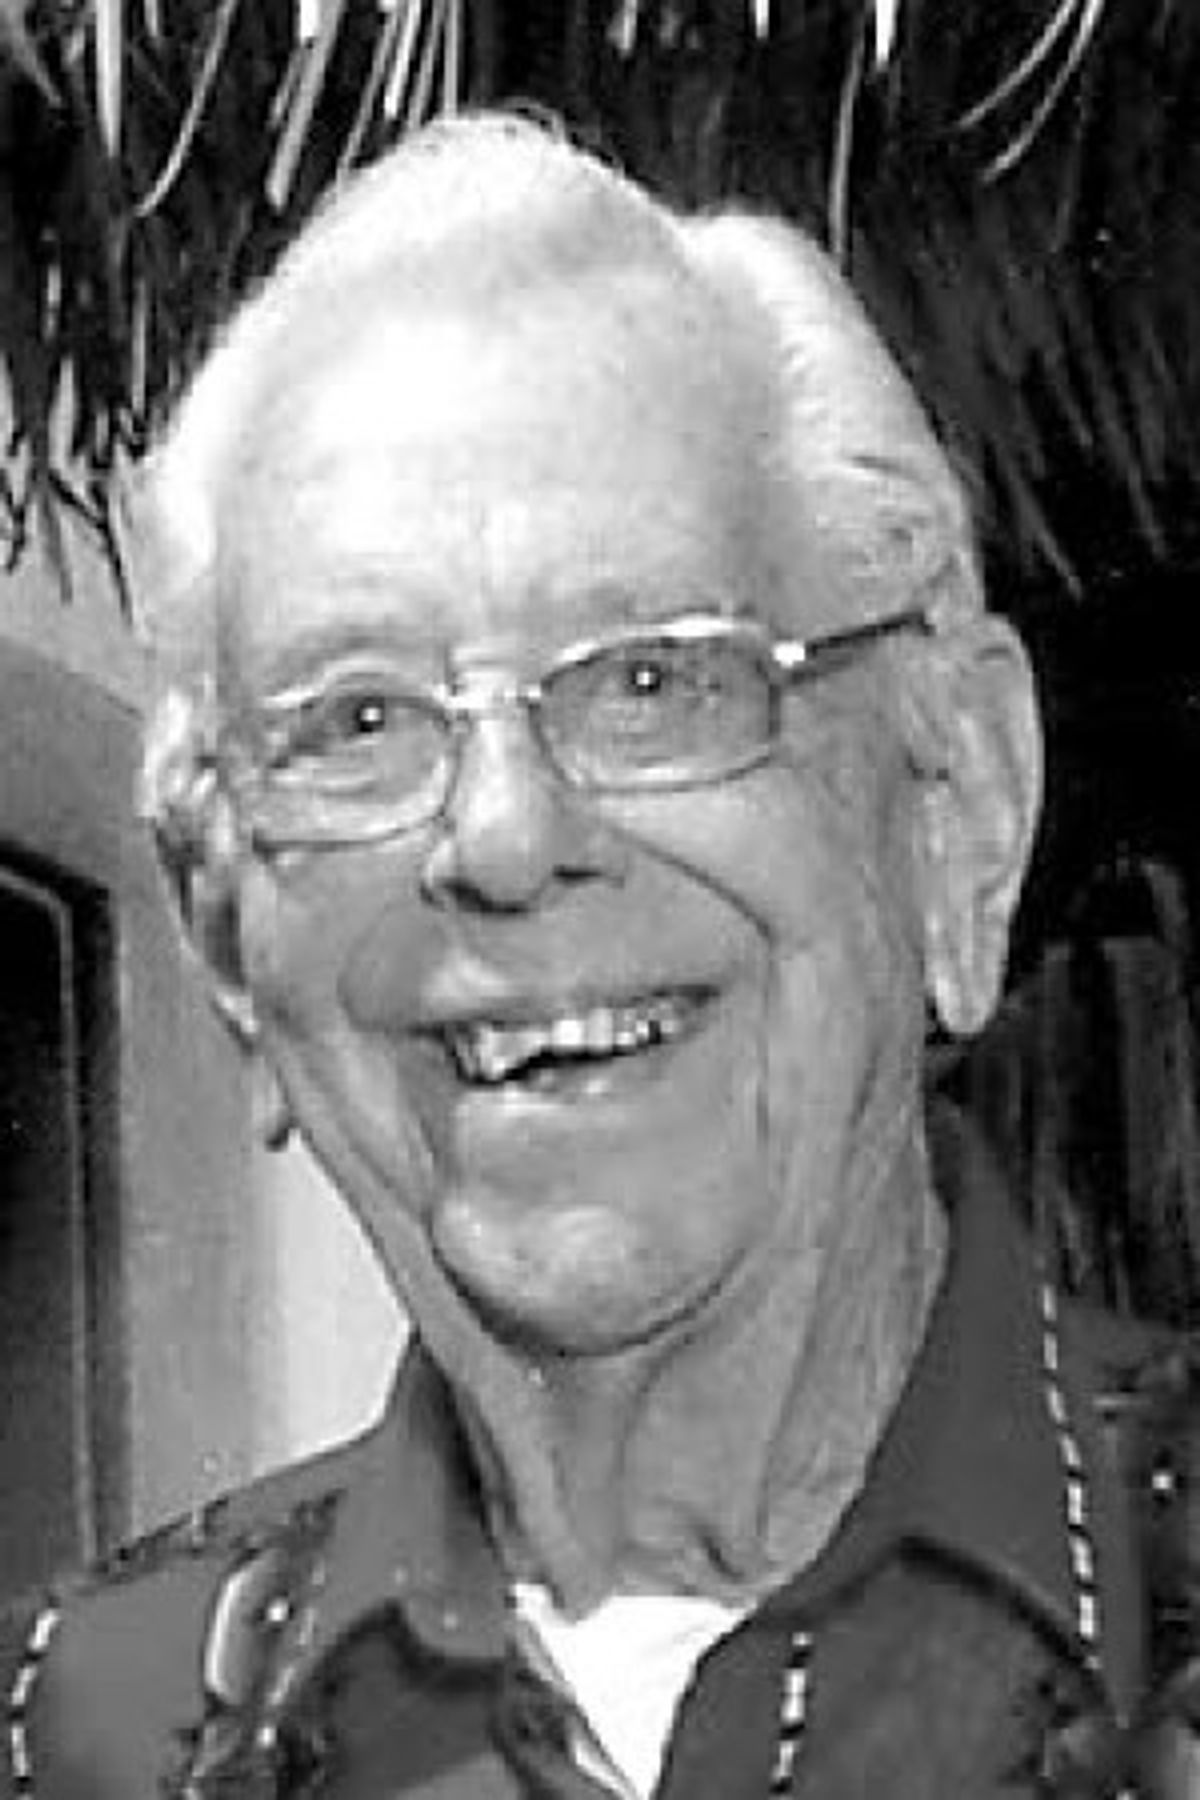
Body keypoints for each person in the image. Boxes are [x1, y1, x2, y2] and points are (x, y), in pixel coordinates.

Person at [0, 113, 1187, 1798]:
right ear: (225, 944)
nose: (500, 836)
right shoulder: (72, 1738)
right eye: (358, 722)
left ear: (960, 805)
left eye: (652, 680)